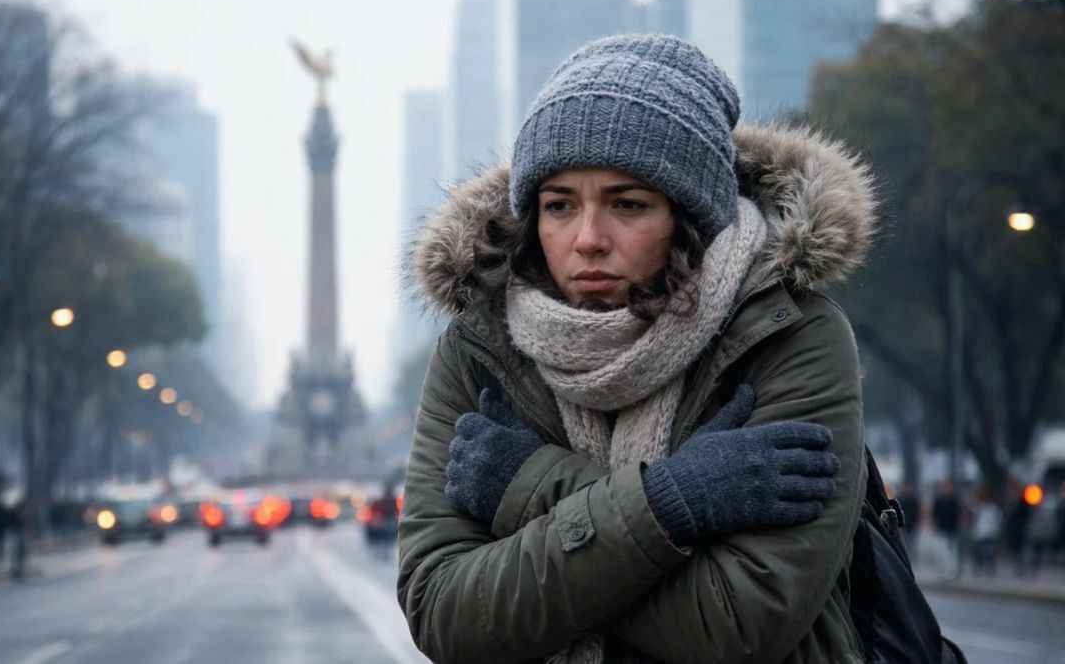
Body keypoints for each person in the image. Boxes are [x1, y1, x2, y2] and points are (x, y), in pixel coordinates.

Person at [399, 34, 876, 662]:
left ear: (689, 215)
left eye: (628, 204)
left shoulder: (787, 332)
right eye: (559, 205)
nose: (588, 238)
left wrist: (526, 485)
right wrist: (677, 500)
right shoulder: (480, 346)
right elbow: (446, 616)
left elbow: (736, 625)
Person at [969, 485, 1002, 577]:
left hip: (989, 533)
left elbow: (998, 519)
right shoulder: (977, 507)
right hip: (979, 533)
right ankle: (979, 569)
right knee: (978, 553)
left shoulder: (993, 507)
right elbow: (971, 517)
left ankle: (989, 569)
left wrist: (995, 530)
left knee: (989, 552)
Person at [932, 479, 963, 578]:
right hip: (941, 528)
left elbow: (959, 514)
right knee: (942, 551)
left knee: (952, 552)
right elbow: (934, 514)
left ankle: (952, 570)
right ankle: (944, 569)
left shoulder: (954, 501)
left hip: (952, 529)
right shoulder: (939, 500)